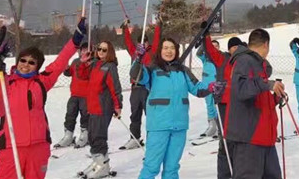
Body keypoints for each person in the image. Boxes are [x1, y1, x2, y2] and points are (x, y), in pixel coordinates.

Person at [0, 15, 86, 179]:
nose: (25, 65)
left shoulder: (42, 82)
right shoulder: (5, 82)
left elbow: (61, 61)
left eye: (31, 62)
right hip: (11, 146)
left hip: (38, 146)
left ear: (37, 66)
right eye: (23, 60)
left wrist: (75, 40)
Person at [132, 37, 217, 178]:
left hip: (179, 125)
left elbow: (197, 88)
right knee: (151, 167)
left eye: (172, 48)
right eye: (165, 48)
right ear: (160, 51)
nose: (169, 51)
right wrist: (138, 59)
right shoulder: (152, 69)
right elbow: (137, 76)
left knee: (172, 168)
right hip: (159, 126)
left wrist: (211, 86)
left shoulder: (183, 70)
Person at [224, 28, 285, 179]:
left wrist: (275, 98)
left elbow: (256, 97)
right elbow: (241, 90)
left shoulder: (258, 63)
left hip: (265, 136)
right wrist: (267, 84)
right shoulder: (244, 60)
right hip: (250, 138)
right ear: (266, 44)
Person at [203, 34, 246, 179]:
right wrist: (206, 35)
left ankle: (241, 170)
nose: (235, 49)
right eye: (232, 47)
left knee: (241, 139)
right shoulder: (222, 59)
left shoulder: (246, 60)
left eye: (238, 47)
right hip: (224, 104)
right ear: (228, 49)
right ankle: (225, 173)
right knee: (226, 140)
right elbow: (210, 50)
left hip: (242, 104)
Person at [81, 39, 123, 178]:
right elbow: (82, 76)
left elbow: (115, 87)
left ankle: (103, 166)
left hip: (102, 107)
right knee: (92, 137)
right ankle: (99, 162)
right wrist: (84, 62)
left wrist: (118, 105)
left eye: (104, 50)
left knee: (98, 137)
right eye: (99, 49)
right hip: (92, 107)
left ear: (110, 52)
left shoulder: (110, 67)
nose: (101, 52)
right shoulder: (95, 64)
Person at [122, 19, 162, 150]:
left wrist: (158, 25)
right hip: (135, 88)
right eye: (140, 42)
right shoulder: (135, 53)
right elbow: (128, 42)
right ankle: (135, 138)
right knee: (135, 114)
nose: (143, 44)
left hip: (147, 88)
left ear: (148, 43)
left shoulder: (152, 52)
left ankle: (153, 138)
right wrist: (125, 28)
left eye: (145, 42)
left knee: (150, 114)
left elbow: (157, 40)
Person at [55, 42, 92, 149]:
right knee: (70, 114)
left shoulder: (92, 62)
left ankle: (85, 135)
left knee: (85, 115)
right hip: (74, 94)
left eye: (86, 50)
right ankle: (68, 135)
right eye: (82, 50)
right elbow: (69, 73)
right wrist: (66, 69)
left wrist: (86, 63)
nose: (84, 52)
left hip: (86, 95)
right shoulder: (76, 61)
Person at [196, 40, 220, 138]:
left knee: (217, 106)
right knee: (209, 105)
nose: (214, 47)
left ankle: (219, 127)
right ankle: (212, 126)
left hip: (218, 85)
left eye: (216, 46)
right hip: (207, 85)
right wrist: (204, 43)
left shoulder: (221, 57)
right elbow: (198, 53)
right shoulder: (205, 58)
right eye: (212, 46)